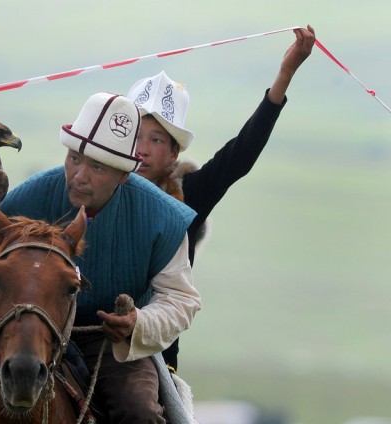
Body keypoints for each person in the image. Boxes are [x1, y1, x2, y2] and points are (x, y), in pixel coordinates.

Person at [0, 92, 202, 423]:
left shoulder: (162, 218)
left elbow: (180, 299)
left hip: (108, 343)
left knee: (139, 412)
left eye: (97, 166)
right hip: (17, 327)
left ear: (124, 175)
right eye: (75, 158)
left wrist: (139, 324)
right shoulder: (28, 197)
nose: (79, 175)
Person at [126, 25, 316, 369]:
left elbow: (240, 155)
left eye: (156, 139)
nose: (142, 149)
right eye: (137, 135)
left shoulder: (190, 196)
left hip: (155, 357)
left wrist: (285, 73)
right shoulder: (95, 187)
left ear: (173, 154)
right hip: (85, 338)